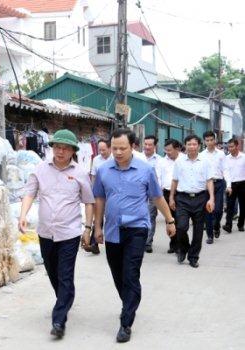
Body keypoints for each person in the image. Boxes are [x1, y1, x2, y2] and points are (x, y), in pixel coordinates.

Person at [92, 128, 176, 343]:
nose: (118, 152)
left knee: (130, 273)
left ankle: (126, 322)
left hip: (137, 229)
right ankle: (129, 301)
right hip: (112, 230)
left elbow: (157, 198)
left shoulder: (146, 170)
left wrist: (169, 220)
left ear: (133, 147)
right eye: (114, 148)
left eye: (123, 148)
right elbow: (99, 199)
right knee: (118, 274)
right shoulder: (103, 170)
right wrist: (97, 227)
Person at [19, 129, 94, 339]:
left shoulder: (79, 173)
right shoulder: (41, 169)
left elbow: (89, 202)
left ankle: (59, 319)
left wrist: (88, 228)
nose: (60, 151)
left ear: (72, 151)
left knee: (65, 274)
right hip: (46, 233)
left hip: (69, 233)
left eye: (65, 148)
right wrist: (22, 215)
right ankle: (64, 298)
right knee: (53, 273)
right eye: (57, 147)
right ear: (52, 148)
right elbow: (29, 193)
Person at [169, 134, 215, 268]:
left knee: (198, 231)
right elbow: (175, 180)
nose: (192, 147)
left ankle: (193, 257)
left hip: (201, 198)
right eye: (189, 144)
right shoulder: (179, 161)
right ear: (185, 146)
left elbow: (209, 181)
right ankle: (183, 249)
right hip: (182, 198)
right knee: (181, 227)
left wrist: (211, 198)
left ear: (199, 146)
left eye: (194, 144)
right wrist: (171, 197)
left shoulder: (205, 162)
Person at [199, 131, 227, 244]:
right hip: (206, 185)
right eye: (207, 140)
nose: (210, 142)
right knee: (208, 210)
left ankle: (216, 226)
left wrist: (228, 184)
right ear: (204, 141)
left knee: (218, 210)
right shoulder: (201, 155)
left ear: (215, 140)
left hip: (219, 183)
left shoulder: (221, 154)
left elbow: (225, 170)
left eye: (211, 140)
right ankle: (210, 235)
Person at [158, 139, 185, 253]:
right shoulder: (162, 161)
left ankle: (180, 244)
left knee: (180, 220)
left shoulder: (184, 159)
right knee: (170, 219)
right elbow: (158, 176)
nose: (167, 152)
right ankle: (173, 243)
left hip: (182, 193)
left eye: (170, 150)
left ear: (177, 149)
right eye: (166, 150)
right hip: (167, 193)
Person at [86, 138, 112, 255]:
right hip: (99, 194)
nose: (101, 152)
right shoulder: (96, 159)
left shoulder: (115, 159)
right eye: (99, 150)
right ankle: (94, 244)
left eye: (104, 150)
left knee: (112, 218)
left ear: (110, 148)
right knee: (98, 218)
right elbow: (93, 176)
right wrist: (92, 191)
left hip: (112, 194)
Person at [142, 135, 163, 253]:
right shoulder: (138, 157)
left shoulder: (160, 160)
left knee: (150, 216)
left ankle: (148, 242)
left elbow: (159, 177)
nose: (147, 147)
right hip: (139, 192)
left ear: (155, 146)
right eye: (145, 144)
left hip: (152, 193)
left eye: (150, 145)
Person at [222, 138, 245, 233]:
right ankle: (228, 225)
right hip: (231, 185)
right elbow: (226, 172)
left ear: (237, 146)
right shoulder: (226, 159)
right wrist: (228, 185)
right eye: (228, 147)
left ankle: (240, 224)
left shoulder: (244, 157)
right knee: (230, 206)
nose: (230, 149)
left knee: (243, 206)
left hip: (243, 184)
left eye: (232, 146)